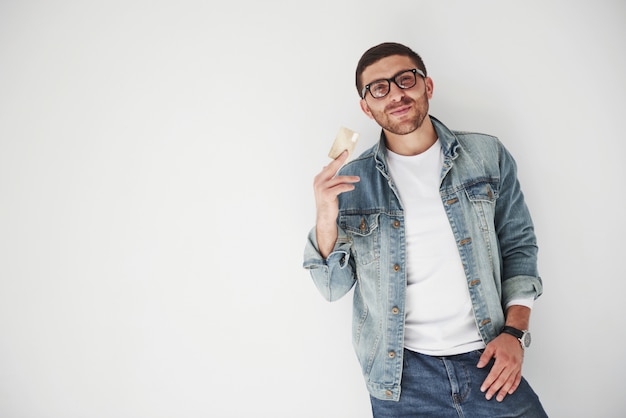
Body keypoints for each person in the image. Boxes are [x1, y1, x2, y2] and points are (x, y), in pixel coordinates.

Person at [303, 42, 548, 417]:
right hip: (401, 380)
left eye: (405, 80)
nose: (396, 94)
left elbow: (518, 246)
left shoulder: (486, 155)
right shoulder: (352, 183)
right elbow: (333, 288)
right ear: (366, 107)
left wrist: (515, 334)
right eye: (379, 88)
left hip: (490, 360)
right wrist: (324, 214)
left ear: (427, 87)